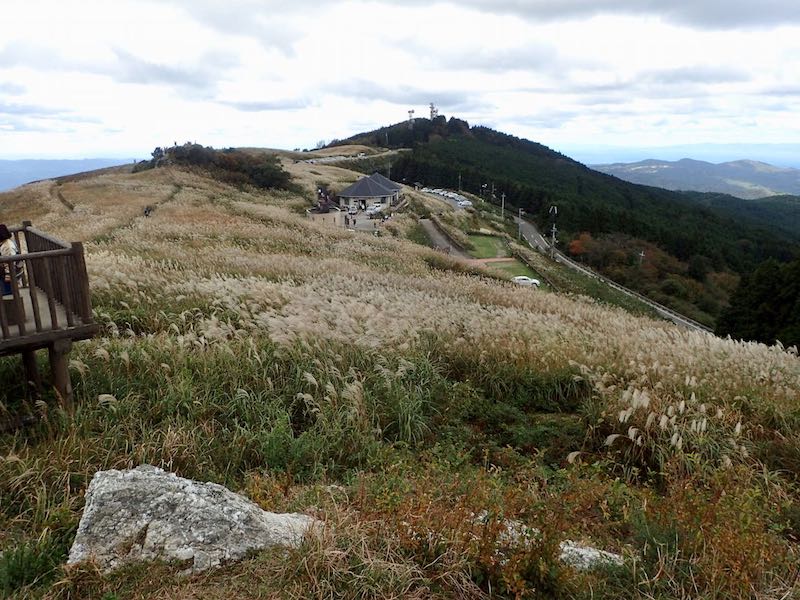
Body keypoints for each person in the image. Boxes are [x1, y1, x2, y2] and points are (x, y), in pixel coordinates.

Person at [0, 224, 22, 296]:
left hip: (10, 275)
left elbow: (10, 264)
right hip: (7, 272)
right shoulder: (5, 243)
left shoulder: (7, 246)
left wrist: (8, 278)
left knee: (7, 293)